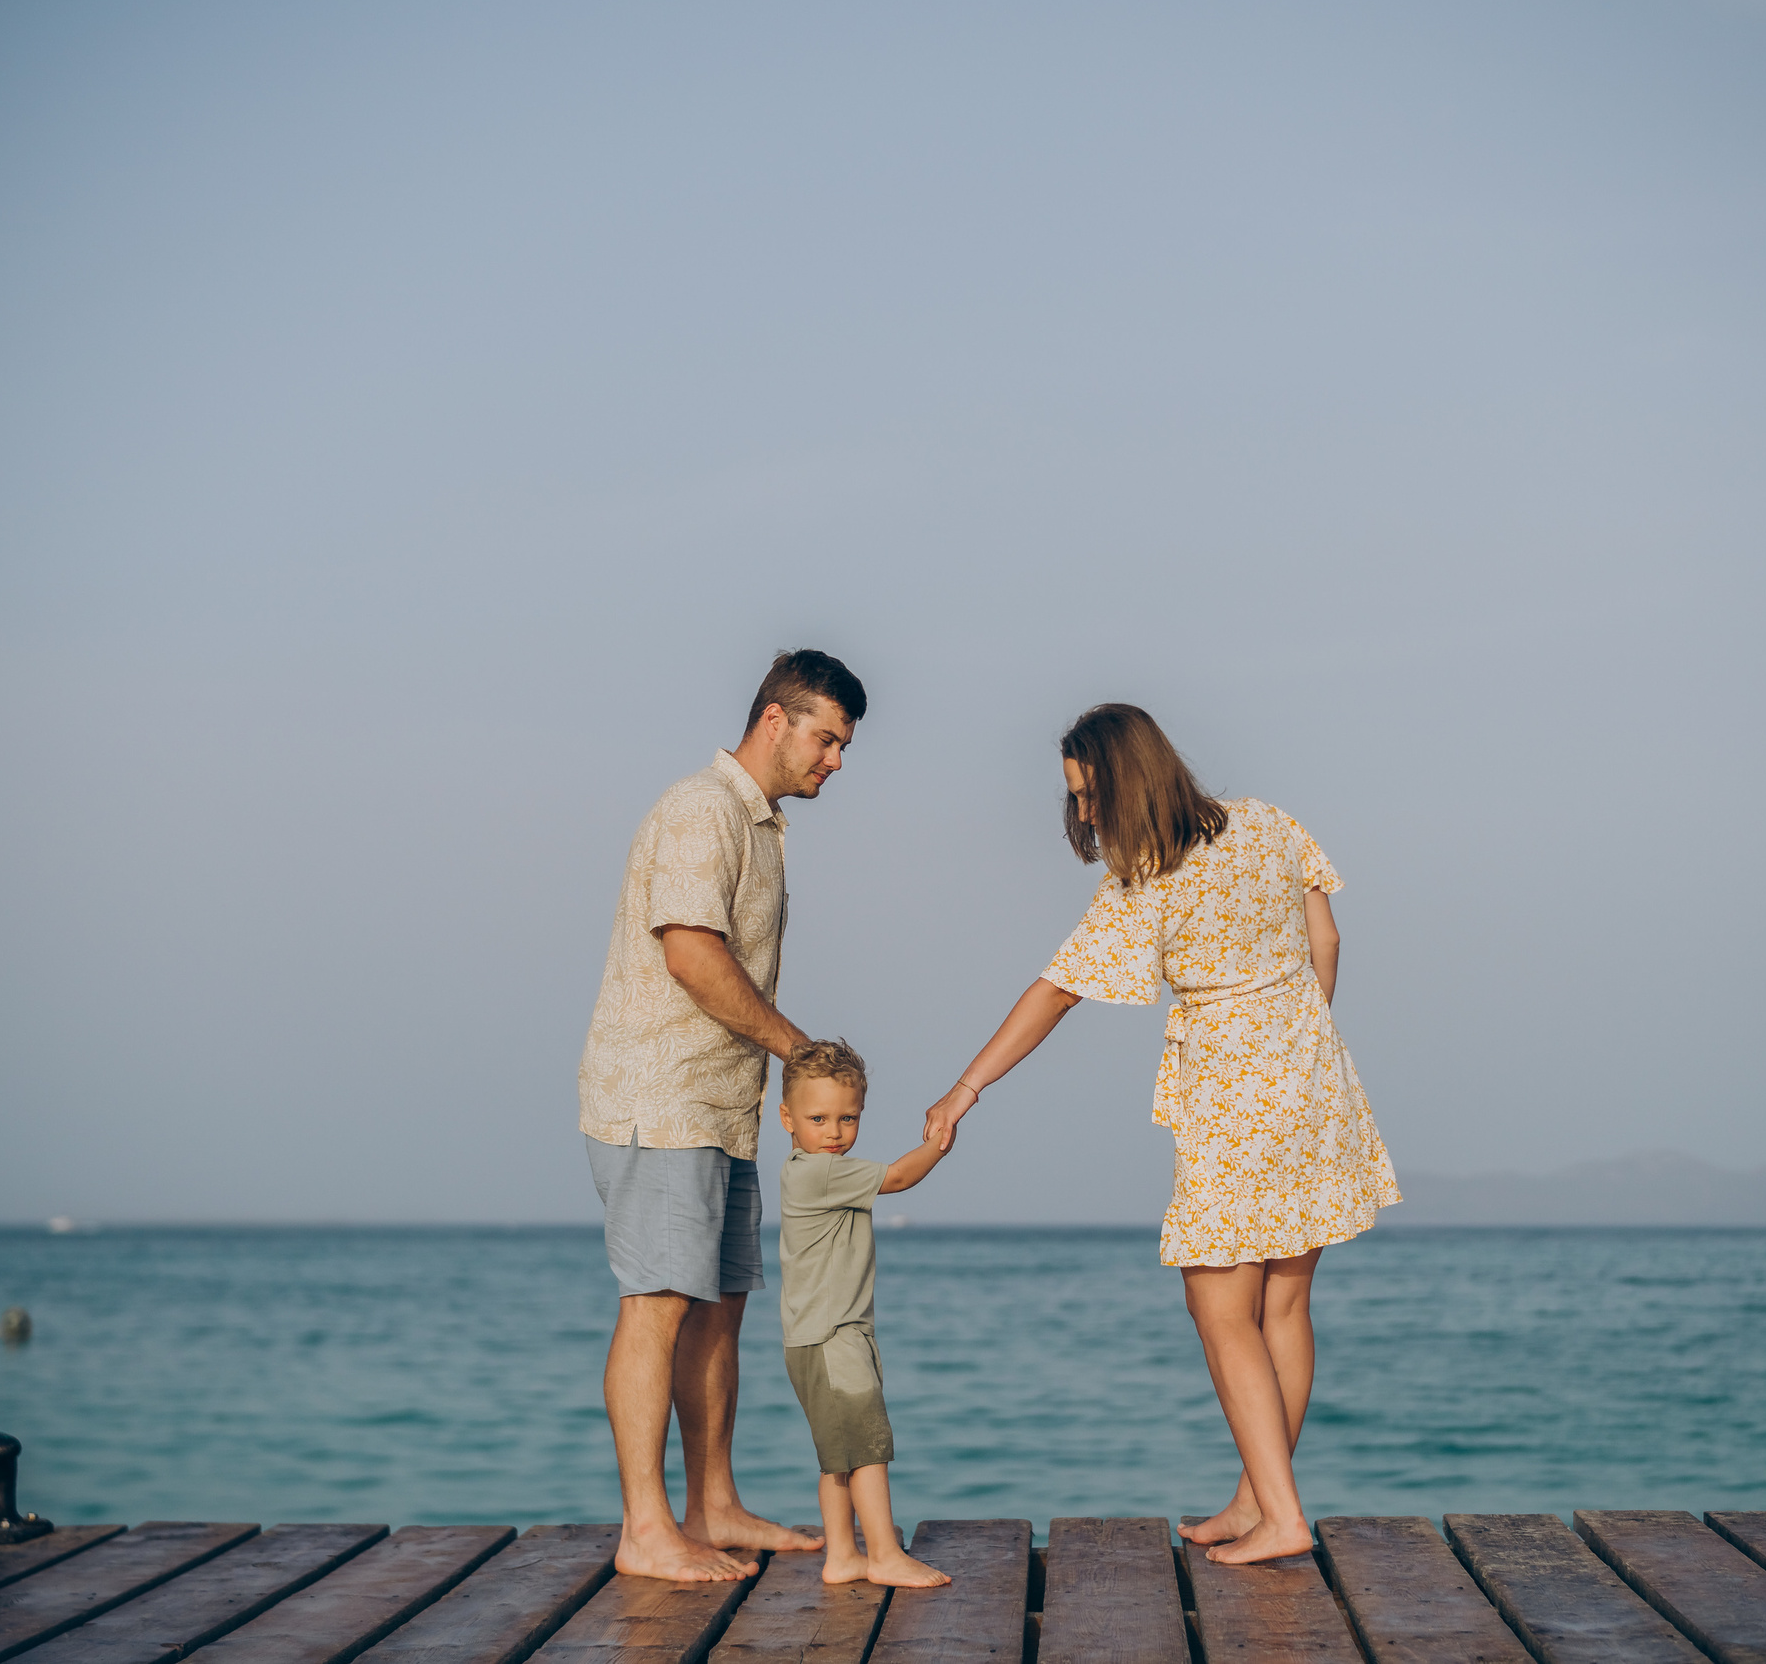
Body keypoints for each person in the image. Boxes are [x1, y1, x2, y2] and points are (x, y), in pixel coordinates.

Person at [922, 702, 1399, 1565]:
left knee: (1218, 1305)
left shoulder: (1149, 876)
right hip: (1317, 1071)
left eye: (1089, 793)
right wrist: (1299, 1033)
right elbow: (1325, 934)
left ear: (1125, 777)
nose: (1083, 814)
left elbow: (1056, 992)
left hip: (1232, 1089)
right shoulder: (1269, 820)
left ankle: (1284, 1518)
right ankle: (1257, 1500)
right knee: (1283, 1302)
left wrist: (966, 1088)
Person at [576, 648, 866, 1583]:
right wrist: (798, 1051)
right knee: (656, 1305)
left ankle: (714, 1504)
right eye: (826, 738)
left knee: (720, 1310)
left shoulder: (762, 823)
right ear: (775, 720)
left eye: (844, 745)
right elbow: (691, 952)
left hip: (722, 1108)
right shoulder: (701, 809)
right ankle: (646, 1529)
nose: (835, 760)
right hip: (660, 1099)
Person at [773, 1038, 954, 1588]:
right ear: (787, 1119)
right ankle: (883, 1554)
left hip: (811, 1340)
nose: (834, 1132)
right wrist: (939, 1145)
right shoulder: (821, 1174)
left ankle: (843, 1556)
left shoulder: (805, 1170)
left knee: (838, 1455)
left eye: (847, 1118)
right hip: (834, 1338)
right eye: (818, 1118)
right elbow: (898, 1177)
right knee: (868, 1447)